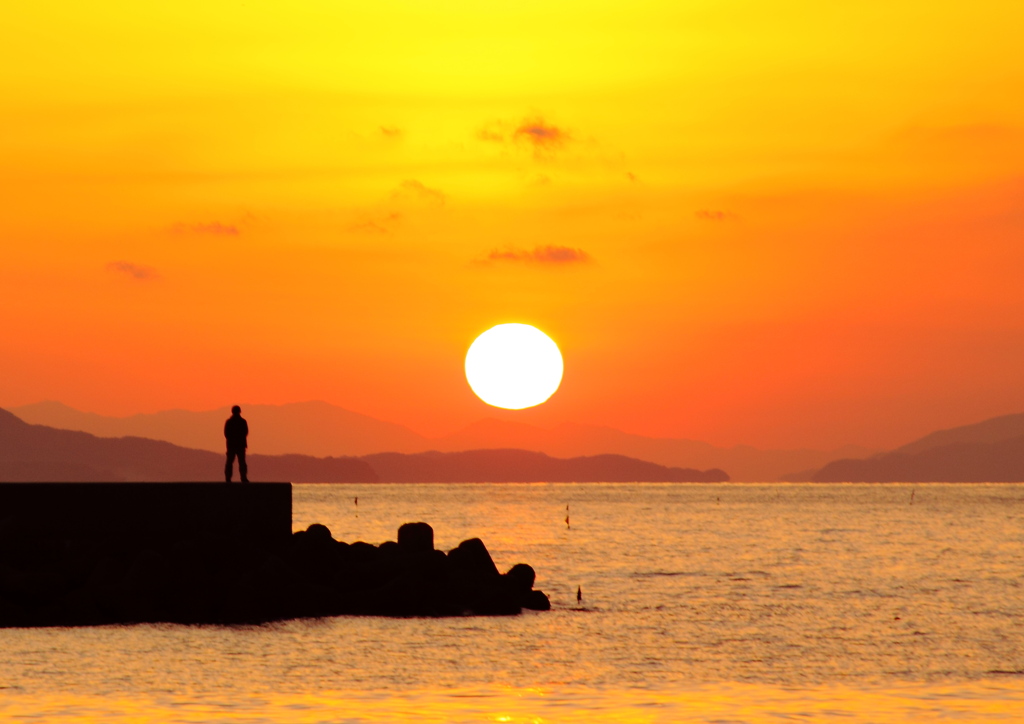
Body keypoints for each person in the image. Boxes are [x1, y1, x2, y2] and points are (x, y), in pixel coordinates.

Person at [224, 405, 249, 483]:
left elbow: (226, 433)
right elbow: (245, 432)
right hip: (239, 445)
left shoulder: (229, 422)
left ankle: (229, 478)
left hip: (232, 445)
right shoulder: (242, 421)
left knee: (231, 462)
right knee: (240, 462)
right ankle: (243, 478)